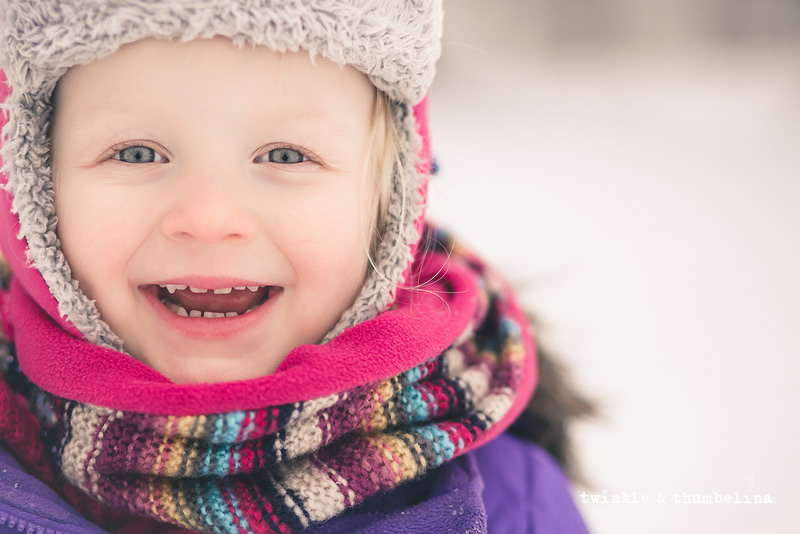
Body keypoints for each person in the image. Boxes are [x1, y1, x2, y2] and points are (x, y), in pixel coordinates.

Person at [0, 1, 591, 532]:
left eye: (286, 154)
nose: (208, 218)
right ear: (33, 187)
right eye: (135, 152)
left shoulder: (515, 503)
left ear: (389, 205)